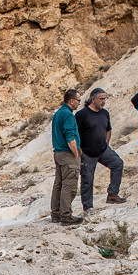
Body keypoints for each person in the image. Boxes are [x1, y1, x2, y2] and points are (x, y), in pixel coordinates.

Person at [75, 87, 126, 210]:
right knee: (87, 179)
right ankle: (88, 206)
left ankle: (112, 194)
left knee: (118, 163)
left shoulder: (105, 113)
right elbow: (75, 133)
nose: (103, 101)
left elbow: (108, 129)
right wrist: (80, 151)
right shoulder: (82, 114)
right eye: (101, 99)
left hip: (103, 150)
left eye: (104, 99)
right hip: (87, 152)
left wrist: (106, 143)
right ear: (93, 99)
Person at [50, 88, 84, 225]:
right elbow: (70, 137)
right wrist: (76, 153)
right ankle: (66, 215)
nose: (79, 103)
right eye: (78, 101)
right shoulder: (68, 115)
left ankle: (56, 214)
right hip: (67, 154)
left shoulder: (58, 113)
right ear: (71, 101)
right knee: (69, 185)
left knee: (59, 184)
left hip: (58, 153)